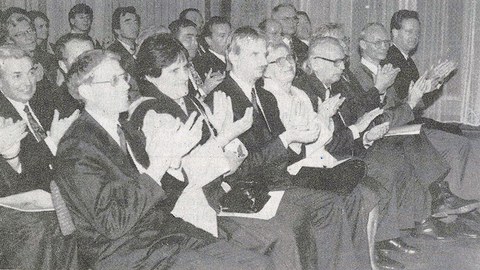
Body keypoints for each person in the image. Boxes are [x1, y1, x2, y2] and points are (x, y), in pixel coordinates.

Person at [55, 49, 272, 270]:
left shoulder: (125, 129)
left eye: (124, 77)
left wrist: (175, 160)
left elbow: (164, 193)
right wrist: (160, 163)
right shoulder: (77, 148)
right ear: (86, 91)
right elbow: (113, 223)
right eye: (113, 81)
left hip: (160, 234)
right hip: (123, 252)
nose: (126, 86)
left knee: (259, 263)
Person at [207, 26, 374, 270]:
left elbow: (284, 152)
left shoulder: (265, 97)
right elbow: (239, 168)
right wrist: (288, 139)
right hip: (247, 190)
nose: (263, 61)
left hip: (276, 179)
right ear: (233, 56)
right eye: (255, 55)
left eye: (264, 54)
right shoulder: (223, 98)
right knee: (325, 205)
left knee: (336, 199)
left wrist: (297, 139)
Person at [383, 10, 480, 218]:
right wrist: (432, 81)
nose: (414, 37)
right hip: (402, 127)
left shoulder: (406, 60)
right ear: (394, 33)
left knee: (458, 138)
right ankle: (456, 206)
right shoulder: (391, 60)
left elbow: (420, 101)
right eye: (409, 32)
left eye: (417, 32)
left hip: (411, 123)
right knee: (459, 144)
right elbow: (407, 102)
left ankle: (460, 204)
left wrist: (436, 81)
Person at [0, 44, 79, 269]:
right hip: (25, 214)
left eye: (31, 73)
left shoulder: (42, 102)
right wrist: (53, 142)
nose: (28, 82)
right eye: (17, 76)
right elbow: (21, 177)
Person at [169, 18, 225, 99]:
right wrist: (204, 90)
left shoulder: (201, 63)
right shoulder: (171, 71)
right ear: (174, 41)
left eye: (196, 38)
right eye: (188, 38)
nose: (195, 43)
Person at [3, 8, 58, 84]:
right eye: (20, 34)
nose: (29, 37)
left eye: (30, 30)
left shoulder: (49, 60)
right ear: (9, 40)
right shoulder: (5, 64)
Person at [53, 33, 94, 116]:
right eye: (78, 59)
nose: (88, 64)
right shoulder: (60, 105)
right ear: (63, 66)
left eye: (91, 57)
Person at [193, 16, 230, 80]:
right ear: (208, 40)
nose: (229, 40)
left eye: (229, 35)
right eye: (222, 36)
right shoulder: (204, 64)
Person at [108, 6, 140, 80]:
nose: (134, 26)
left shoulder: (142, 48)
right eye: (128, 22)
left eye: (135, 22)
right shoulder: (111, 52)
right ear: (117, 29)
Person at [272, 4, 308, 68]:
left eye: (294, 18)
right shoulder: (271, 45)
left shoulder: (303, 47)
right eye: (286, 19)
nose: (292, 22)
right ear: (274, 21)